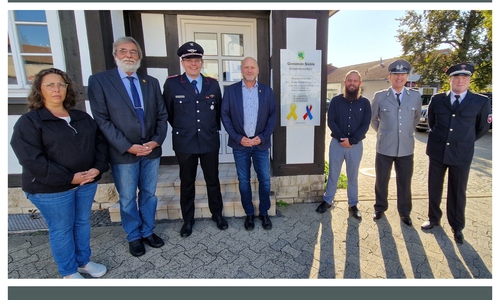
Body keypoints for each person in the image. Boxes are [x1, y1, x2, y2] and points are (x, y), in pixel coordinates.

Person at [10, 68, 109, 279]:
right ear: (39, 89)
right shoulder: (30, 122)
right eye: (50, 85)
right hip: (50, 189)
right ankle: (68, 271)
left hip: (85, 183)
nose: (57, 89)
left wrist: (98, 168)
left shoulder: (81, 117)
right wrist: (68, 177)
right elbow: (30, 159)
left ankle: (83, 262)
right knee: (62, 228)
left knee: (82, 222)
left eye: (61, 85)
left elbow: (100, 144)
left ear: (67, 89)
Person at [88, 36, 168, 257]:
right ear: (115, 55)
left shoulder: (150, 82)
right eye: (123, 51)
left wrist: (156, 140)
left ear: (139, 57)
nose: (129, 55)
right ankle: (133, 236)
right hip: (123, 153)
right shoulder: (100, 81)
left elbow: (162, 116)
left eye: (133, 52)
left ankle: (148, 231)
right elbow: (102, 120)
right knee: (127, 197)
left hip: (150, 151)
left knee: (149, 194)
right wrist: (127, 146)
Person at [162, 41, 228, 237]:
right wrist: (186, 129)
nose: (193, 63)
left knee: (212, 180)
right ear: (182, 62)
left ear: (202, 62)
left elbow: (217, 114)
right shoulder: (172, 84)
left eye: (197, 59)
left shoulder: (213, 84)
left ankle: (217, 214)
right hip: (185, 142)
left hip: (209, 141)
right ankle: (188, 220)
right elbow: (169, 113)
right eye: (189, 60)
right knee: (187, 182)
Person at [421, 63, 491, 245]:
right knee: (434, 187)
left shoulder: (480, 101)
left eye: (464, 78)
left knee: (458, 190)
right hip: (438, 152)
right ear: (450, 80)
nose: (460, 81)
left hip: (461, 154)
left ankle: (457, 226)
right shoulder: (437, 99)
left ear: (469, 80)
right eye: (456, 78)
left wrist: (465, 141)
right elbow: (432, 122)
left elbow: (482, 128)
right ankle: (434, 219)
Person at [221, 57, 277, 230]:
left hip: (260, 144)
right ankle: (249, 214)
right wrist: (238, 138)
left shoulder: (267, 92)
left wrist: (263, 136)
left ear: (258, 69)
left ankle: (264, 213)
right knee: (244, 181)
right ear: (242, 70)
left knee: (265, 181)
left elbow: (272, 117)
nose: (250, 70)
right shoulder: (231, 91)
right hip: (241, 145)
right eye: (246, 67)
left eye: (253, 67)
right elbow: (225, 116)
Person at [370, 59, 422, 226]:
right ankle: (380, 207)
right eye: (396, 74)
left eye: (402, 74)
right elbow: (373, 118)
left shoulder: (414, 96)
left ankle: (405, 212)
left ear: (407, 77)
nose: (399, 77)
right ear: (389, 77)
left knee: (405, 181)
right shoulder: (379, 96)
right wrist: (384, 132)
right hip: (385, 146)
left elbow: (415, 118)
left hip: (406, 148)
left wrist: (405, 133)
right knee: (382, 179)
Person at [315, 70, 371, 219]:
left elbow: (366, 125)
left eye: (355, 81)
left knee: (353, 176)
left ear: (359, 83)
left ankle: (353, 204)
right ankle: (328, 200)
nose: (352, 83)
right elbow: (331, 121)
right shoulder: (336, 101)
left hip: (356, 145)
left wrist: (352, 140)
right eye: (349, 81)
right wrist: (342, 139)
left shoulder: (365, 103)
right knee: (334, 173)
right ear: (345, 83)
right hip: (337, 144)